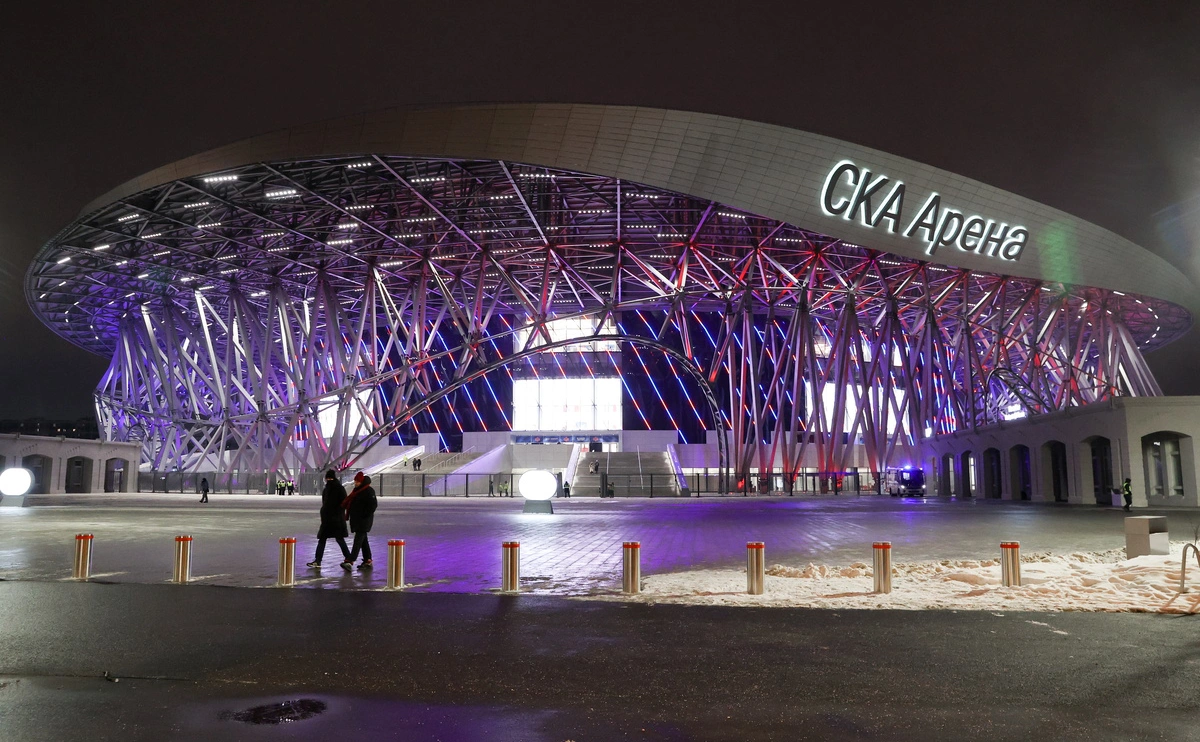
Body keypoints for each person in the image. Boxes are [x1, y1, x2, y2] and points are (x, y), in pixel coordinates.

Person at [307, 470, 350, 568]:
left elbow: (325, 503)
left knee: (323, 539)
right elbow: (344, 502)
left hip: (330, 519)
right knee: (338, 539)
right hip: (336, 519)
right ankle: (348, 557)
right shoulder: (339, 488)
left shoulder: (327, 489)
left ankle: (318, 560)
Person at [342, 473, 378, 570]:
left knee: (358, 541)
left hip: (364, 521)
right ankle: (368, 560)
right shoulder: (357, 490)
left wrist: (364, 515)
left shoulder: (369, 491)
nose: (355, 483)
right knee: (363, 541)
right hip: (358, 520)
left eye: (357, 481)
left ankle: (350, 561)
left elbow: (373, 505)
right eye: (355, 481)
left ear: (361, 481)